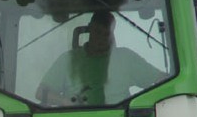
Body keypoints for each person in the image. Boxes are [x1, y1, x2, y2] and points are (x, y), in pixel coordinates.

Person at [35, 9, 167, 107]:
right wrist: (65, 102)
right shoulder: (68, 60)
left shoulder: (126, 58)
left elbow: (161, 80)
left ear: (112, 34)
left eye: (106, 34)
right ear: (90, 29)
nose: (101, 38)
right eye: (98, 32)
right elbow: (41, 92)